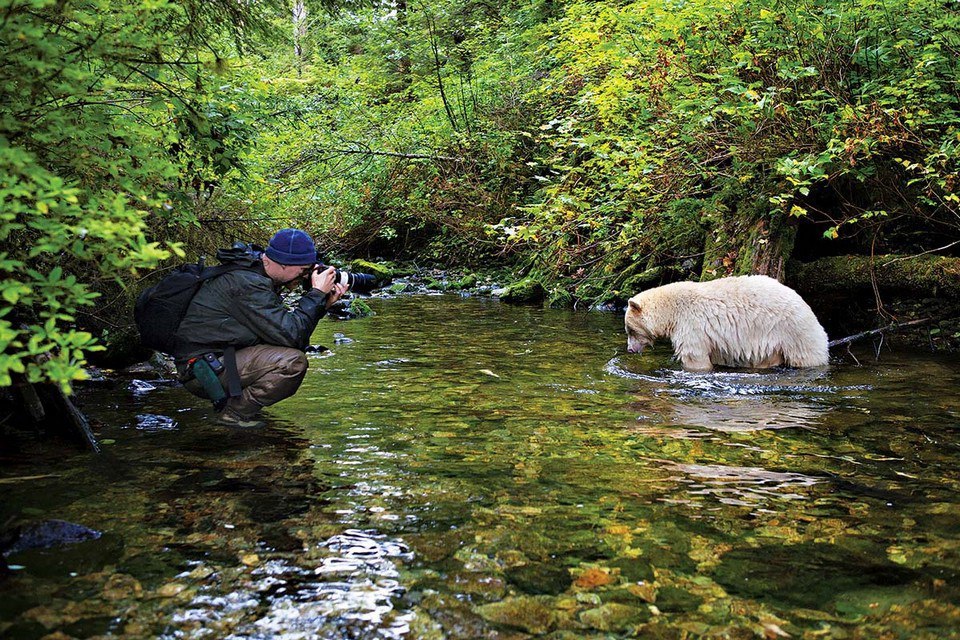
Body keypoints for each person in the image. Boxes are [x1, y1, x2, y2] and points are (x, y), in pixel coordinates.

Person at [175, 228, 347, 428]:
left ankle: (234, 409)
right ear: (284, 263)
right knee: (292, 363)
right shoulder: (247, 283)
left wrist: (322, 304)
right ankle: (232, 415)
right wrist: (316, 294)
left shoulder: (254, 272)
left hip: (216, 359)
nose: (305, 276)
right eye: (303, 270)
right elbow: (293, 336)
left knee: (286, 352)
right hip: (203, 370)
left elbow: (283, 333)